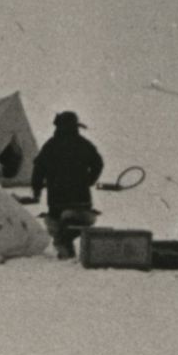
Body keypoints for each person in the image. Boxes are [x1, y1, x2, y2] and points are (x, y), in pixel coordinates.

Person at [30, 110, 104, 260]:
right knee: (79, 222)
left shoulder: (51, 146)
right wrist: (89, 180)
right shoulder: (84, 144)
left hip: (57, 201)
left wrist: (36, 190)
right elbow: (98, 163)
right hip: (82, 200)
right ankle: (68, 243)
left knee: (56, 224)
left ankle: (64, 246)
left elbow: (38, 169)